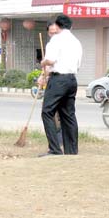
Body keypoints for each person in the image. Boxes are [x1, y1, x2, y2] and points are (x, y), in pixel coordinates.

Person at [40, 14, 82, 155]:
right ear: (71, 26)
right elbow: (78, 64)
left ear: (57, 26)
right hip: (72, 80)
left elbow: (50, 61)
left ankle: (55, 149)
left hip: (58, 80)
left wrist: (43, 62)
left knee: (47, 112)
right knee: (68, 115)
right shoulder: (77, 42)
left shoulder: (56, 39)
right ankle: (72, 151)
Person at [38, 20, 63, 152]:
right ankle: (57, 144)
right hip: (54, 80)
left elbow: (51, 63)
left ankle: (57, 145)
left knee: (54, 114)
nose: (54, 35)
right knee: (53, 115)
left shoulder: (62, 44)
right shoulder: (51, 44)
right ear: (48, 33)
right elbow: (49, 67)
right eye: (51, 32)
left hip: (61, 82)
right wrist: (43, 76)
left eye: (56, 32)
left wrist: (44, 64)